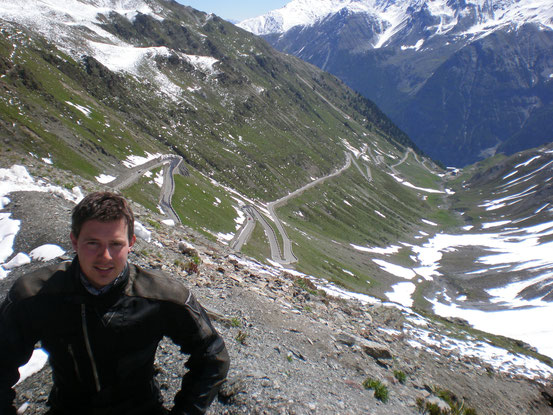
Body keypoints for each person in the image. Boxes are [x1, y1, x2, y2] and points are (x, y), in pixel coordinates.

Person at [0, 192, 230, 415]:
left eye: (115, 244)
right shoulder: (35, 295)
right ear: (74, 240)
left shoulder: (162, 295)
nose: (105, 256)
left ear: (131, 243)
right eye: (93, 243)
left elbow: (212, 355)